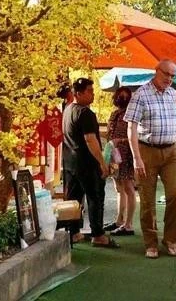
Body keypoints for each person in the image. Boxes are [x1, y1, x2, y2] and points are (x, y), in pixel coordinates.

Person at [124, 59, 176, 259]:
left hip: (172, 151)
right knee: (148, 200)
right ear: (156, 71)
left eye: (173, 76)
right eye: (166, 74)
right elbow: (131, 128)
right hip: (147, 151)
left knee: (175, 196)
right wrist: (136, 158)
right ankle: (151, 243)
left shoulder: (173, 94)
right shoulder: (140, 95)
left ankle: (171, 239)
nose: (170, 79)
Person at [62, 77, 119, 248]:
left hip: (70, 162)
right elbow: (90, 140)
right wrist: (102, 162)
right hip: (86, 162)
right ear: (78, 93)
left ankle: (73, 232)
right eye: (89, 91)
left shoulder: (68, 110)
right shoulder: (85, 113)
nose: (93, 94)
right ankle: (98, 234)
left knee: (73, 199)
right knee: (95, 197)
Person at [103, 87, 136, 236]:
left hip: (126, 155)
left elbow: (134, 136)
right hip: (114, 154)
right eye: (120, 96)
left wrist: (120, 140)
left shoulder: (131, 115)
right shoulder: (114, 113)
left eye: (125, 96)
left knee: (129, 188)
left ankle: (128, 224)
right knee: (119, 188)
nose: (122, 98)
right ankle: (119, 220)